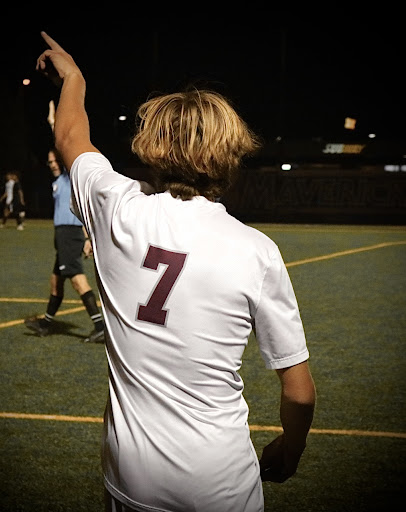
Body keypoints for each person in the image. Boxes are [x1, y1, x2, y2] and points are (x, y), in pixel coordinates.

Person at [36, 32, 316, 512]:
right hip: (222, 484)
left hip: (132, 480)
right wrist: (290, 450)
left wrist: (74, 77)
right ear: (230, 152)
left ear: (152, 146)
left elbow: (69, 136)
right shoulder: (256, 251)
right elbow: (299, 391)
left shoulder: (116, 205)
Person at [24, 148, 104, 344]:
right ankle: (45, 325)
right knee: (56, 282)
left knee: (77, 280)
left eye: (54, 161)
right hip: (63, 235)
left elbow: (66, 146)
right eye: (49, 162)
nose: (51, 164)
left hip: (68, 234)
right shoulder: (59, 182)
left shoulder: (69, 178)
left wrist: (53, 122)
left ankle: (100, 327)